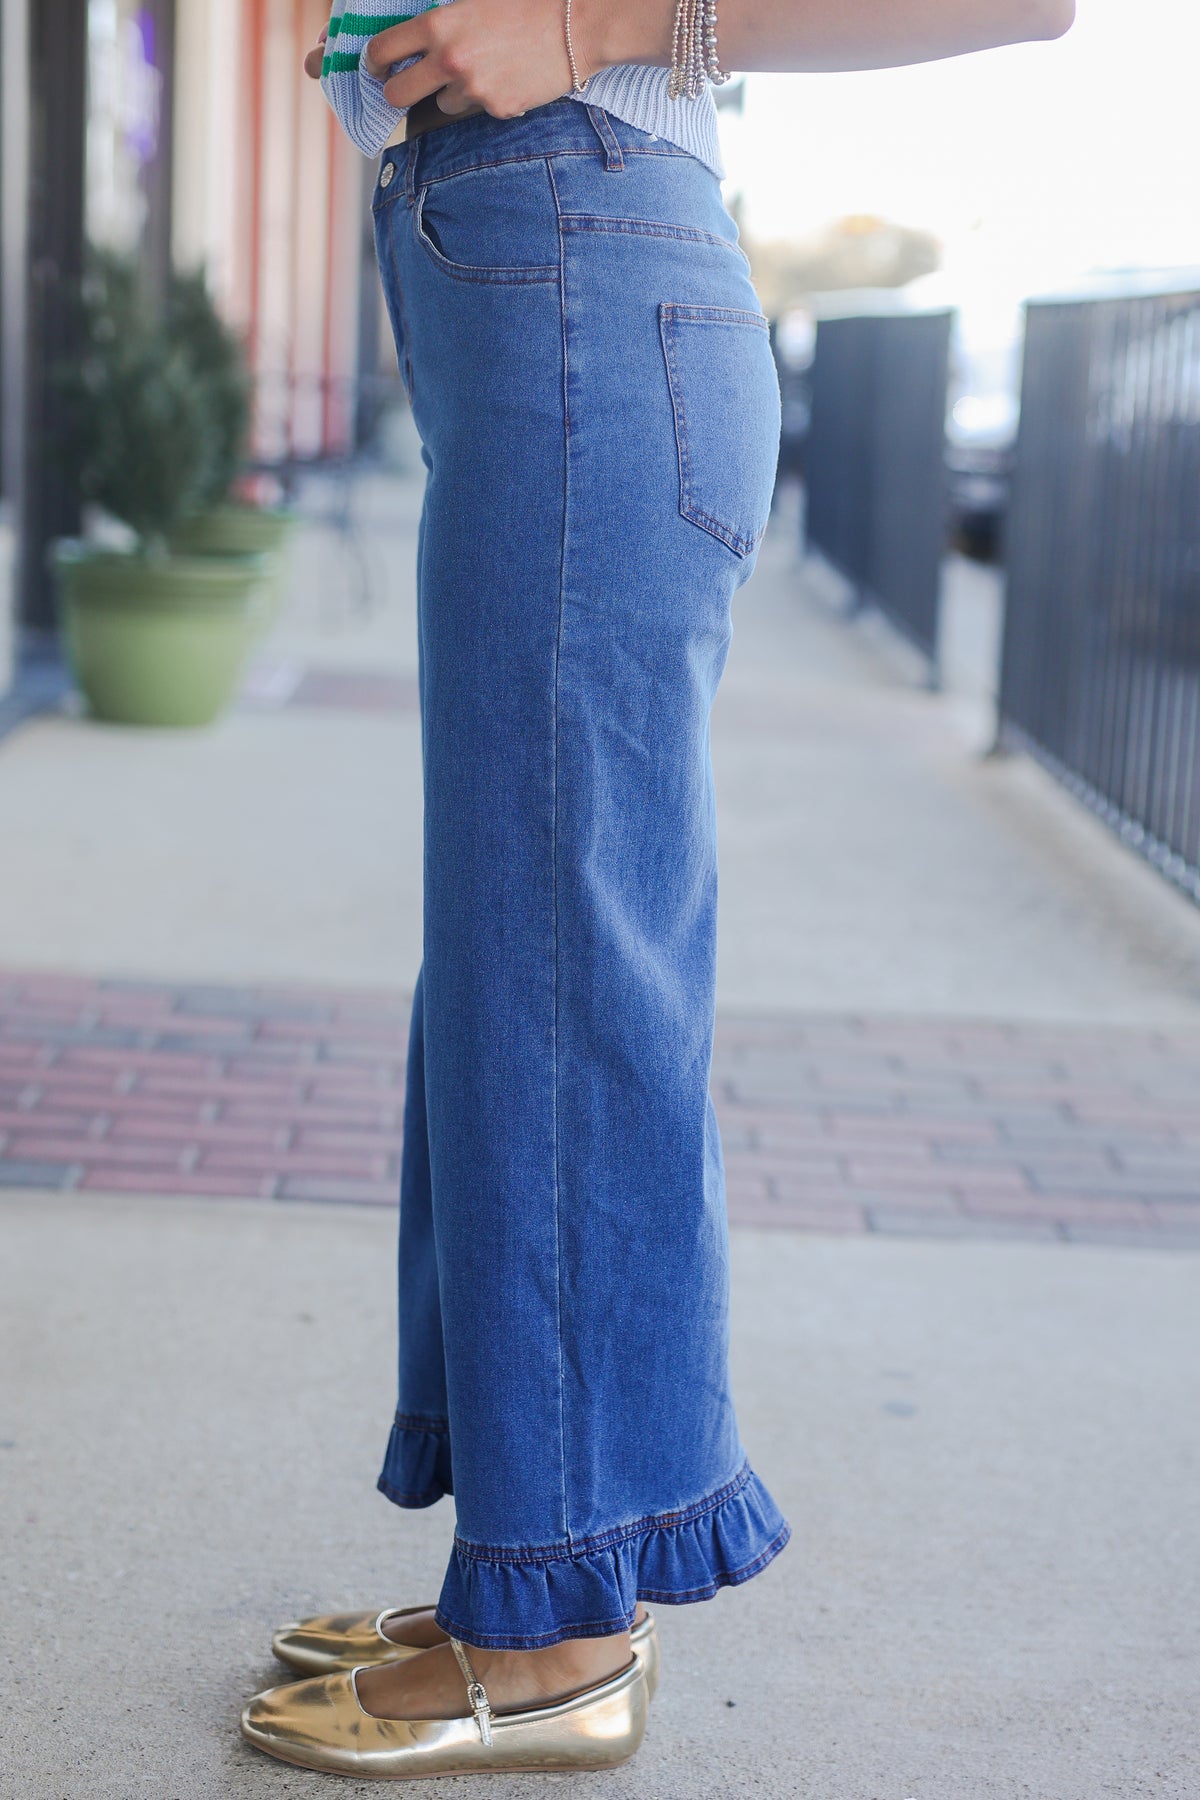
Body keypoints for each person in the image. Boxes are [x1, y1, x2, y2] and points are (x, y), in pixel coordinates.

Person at [241, 0, 1074, 1779]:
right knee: (513, 947)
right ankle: (539, 1561)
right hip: (525, 267)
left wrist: (599, 19)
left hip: (576, 253)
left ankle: (559, 1640)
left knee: (554, 954)